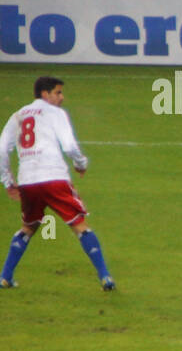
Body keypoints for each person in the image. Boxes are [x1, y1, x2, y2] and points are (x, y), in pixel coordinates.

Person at [0, 76, 115, 291]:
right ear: (45, 94)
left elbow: (1, 149)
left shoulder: (18, 115)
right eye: (58, 93)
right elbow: (70, 146)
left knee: (29, 227)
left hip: (28, 181)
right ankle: (105, 276)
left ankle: (5, 277)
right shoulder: (55, 113)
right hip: (53, 177)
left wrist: (8, 181)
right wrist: (81, 163)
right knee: (79, 224)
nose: (62, 98)